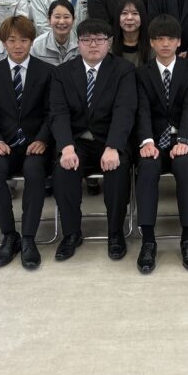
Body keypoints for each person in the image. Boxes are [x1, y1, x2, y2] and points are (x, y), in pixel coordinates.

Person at [49, 18, 137, 263]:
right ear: (78, 43)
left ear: (109, 42)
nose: (93, 44)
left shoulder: (123, 70)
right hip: (77, 141)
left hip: (110, 139)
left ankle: (115, 232)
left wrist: (113, 146)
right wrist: (66, 148)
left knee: (117, 169)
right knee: (63, 169)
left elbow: (125, 110)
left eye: (99, 39)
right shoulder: (62, 73)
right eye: (87, 40)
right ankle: (71, 233)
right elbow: (58, 113)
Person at [0, 15, 54, 269]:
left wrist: (43, 139)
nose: (18, 45)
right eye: (12, 40)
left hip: (35, 145)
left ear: (32, 41)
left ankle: (29, 237)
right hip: (5, 144)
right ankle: (10, 236)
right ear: (3, 43)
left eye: (23, 40)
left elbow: (52, 112)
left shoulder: (47, 72)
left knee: (35, 171)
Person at [135, 15, 188, 273]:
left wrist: (184, 140)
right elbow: (142, 110)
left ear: (179, 42)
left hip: (184, 137)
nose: (165, 44)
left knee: (185, 167)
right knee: (147, 167)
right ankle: (148, 241)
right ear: (151, 42)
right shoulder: (141, 73)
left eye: (170, 39)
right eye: (159, 39)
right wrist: (146, 141)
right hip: (153, 139)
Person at [30, 0, 80, 65]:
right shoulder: (38, 45)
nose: (61, 22)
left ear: (73, 20)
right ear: (49, 20)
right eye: (57, 17)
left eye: (66, 17)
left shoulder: (82, 42)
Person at [111, 0, 150, 68]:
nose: (129, 18)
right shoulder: (107, 46)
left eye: (135, 13)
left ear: (142, 17)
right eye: (124, 13)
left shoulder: (153, 45)